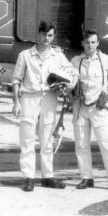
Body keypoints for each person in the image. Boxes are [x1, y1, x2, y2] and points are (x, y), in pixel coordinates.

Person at [12, 21, 78, 192]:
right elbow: (16, 79)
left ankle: (48, 177)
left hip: (49, 98)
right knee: (27, 139)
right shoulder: (25, 55)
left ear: (53, 36)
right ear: (38, 34)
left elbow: (72, 72)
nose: (46, 38)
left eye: (50, 35)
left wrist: (66, 85)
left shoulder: (58, 56)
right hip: (29, 98)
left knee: (47, 139)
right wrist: (16, 102)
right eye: (44, 35)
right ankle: (28, 177)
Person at [70, 29, 108, 193]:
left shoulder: (106, 60)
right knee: (81, 146)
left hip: (99, 108)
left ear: (98, 43)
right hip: (81, 108)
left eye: (93, 42)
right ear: (83, 43)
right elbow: (68, 80)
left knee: (107, 144)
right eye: (87, 42)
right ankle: (86, 178)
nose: (90, 45)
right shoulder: (75, 61)